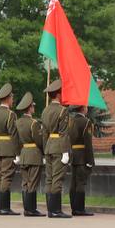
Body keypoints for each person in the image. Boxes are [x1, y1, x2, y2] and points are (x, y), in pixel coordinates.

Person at [0, 82, 20, 216]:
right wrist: (17, 153)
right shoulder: (10, 115)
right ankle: (5, 207)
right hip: (8, 149)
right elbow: (14, 135)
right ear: (7, 98)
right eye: (12, 98)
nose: (12, 100)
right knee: (6, 177)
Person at [40, 79, 70, 218]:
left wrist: (45, 150)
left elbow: (44, 133)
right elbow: (63, 133)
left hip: (49, 147)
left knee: (49, 179)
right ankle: (55, 210)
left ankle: (50, 209)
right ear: (58, 94)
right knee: (57, 179)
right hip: (58, 147)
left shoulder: (45, 110)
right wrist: (65, 152)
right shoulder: (62, 110)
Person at [14, 92, 46, 217]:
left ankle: (27, 208)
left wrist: (18, 154)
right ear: (29, 108)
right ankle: (31, 210)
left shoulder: (18, 122)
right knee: (33, 182)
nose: (34, 108)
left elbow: (16, 141)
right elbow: (39, 141)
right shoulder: (34, 123)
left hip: (23, 154)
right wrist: (44, 152)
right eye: (33, 106)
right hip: (34, 155)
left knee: (25, 183)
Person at [67, 106, 95, 216]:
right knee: (81, 183)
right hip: (82, 155)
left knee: (73, 183)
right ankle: (79, 209)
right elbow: (88, 142)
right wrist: (90, 160)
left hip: (73, 154)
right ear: (83, 108)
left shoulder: (71, 121)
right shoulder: (86, 122)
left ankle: (73, 207)